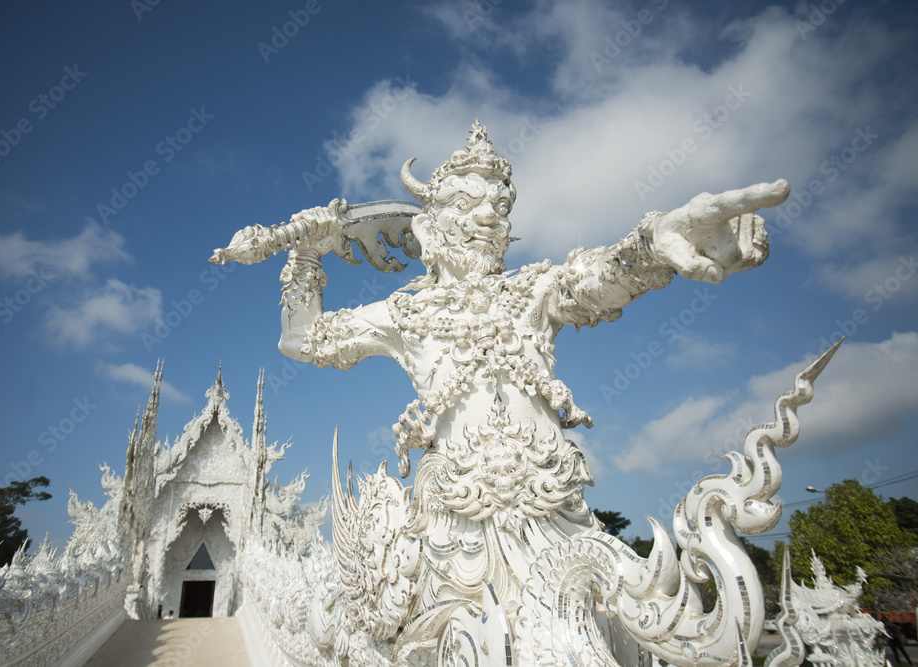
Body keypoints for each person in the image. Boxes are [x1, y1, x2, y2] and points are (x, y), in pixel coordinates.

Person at [223, 121, 790, 652]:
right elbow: (304, 340)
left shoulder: (533, 291)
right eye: (470, 204)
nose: (490, 216)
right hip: (456, 530)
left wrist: (650, 245)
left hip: (557, 518)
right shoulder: (406, 315)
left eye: (501, 205)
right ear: (428, 225)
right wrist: (305, 254)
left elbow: (598, 278)